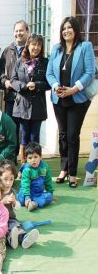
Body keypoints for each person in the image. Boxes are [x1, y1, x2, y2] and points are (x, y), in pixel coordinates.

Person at [46, 16, 95, 188]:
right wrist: (56, 86)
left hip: (77, 98)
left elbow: (90, 72)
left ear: (75, 29)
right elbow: (49, 73)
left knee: (73, 136)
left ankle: (73, 173)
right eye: (63, 28)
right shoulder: (56, 49)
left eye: (69, 27)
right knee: (63, 135)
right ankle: (64, 169)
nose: (66, 31)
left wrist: (73, 89)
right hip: (59, 98)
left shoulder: (85, 47)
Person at [10, 33, 50, 164]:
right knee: (24, 136)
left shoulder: (45, 63)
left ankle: (35, 164)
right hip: (22, 105)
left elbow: (49, 83)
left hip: (38, 106)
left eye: (39, 45)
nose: (36, 47)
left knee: (35, 137)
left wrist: (37, 85)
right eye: (34, 44)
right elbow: (13, 81)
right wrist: (24, 86)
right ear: (28, 45)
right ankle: (24, 164)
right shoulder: (20, 62)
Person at [0, 21, 30, 164]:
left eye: (21, 30)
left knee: (25, 130)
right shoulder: (7, 51)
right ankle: (12, 157)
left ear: (27, 32)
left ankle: (25, 159)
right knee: (11, 128)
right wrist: (5, 81)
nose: (19, 33)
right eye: (16, 31)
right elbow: (1, 72)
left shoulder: (31, 50)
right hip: (11, 97)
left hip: (26, 97)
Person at [0, 160, 39, 249]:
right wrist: (1, 202)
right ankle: (11, 239)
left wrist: (14, 202)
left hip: (10, 217)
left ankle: (24, 238)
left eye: (11, 179)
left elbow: (18, 208)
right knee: (4, 229)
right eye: (5, 179)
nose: (8, 183)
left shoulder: (12, 192)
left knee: (15, 226)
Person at [18, 142, 54, 211]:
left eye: (35, 157)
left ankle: (34, 203)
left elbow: (48, 181)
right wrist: (27, 197)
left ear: (41, 157)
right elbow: (25, 184)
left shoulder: (45, 167)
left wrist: (50, 192)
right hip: (27, 192)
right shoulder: (27, 169)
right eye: (30, 158)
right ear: (26, 159)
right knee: (22, 201)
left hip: (38, 193)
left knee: (49, 197)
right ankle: (18, 197)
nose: (33, 160)